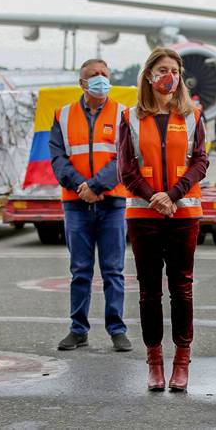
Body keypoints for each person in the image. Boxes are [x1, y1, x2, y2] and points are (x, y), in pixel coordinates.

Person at [117, 47, 208, 391]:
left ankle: (181, 362)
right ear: (149, 75)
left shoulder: (192, 116)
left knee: (182, 288)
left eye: (174, 69)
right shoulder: (130, 117)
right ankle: (154, 361)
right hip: (144, 214)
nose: (169, 75)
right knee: (149, 290)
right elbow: (125, 168)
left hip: (183, 212)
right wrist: (153, 197)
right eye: (162, 69)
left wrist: (171, 195)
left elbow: (200, 161)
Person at [49, 58, 132, 352]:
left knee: (113, 270)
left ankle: (117, 329)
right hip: (76, 204)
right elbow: (58, 159)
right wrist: (81, 187)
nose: (101, 79)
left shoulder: (124, 114)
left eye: (105, 74)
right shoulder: (63, 115)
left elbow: (125, 157)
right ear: (82, 83)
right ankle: (78, 329)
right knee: (80, 269)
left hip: (112, 202)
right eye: (94, 75)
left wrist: (95, 186)